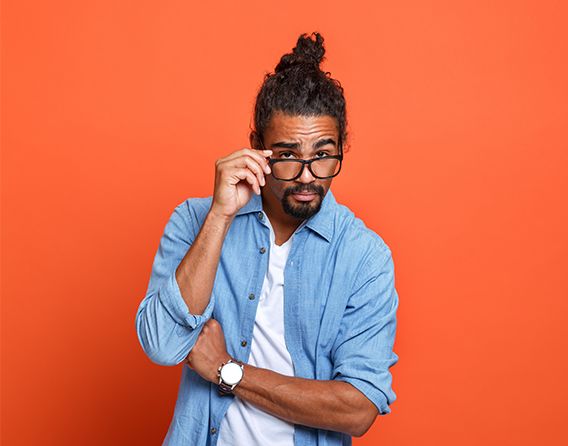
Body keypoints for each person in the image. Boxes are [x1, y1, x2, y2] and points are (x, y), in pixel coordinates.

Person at [135, 32, 399, 446]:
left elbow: (358, 408)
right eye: (288, 155)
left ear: (343, 145)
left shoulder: (365, 257)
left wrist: (226, 369)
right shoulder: (195, 220)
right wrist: (221, 215)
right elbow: (163, 345)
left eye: (324, 154)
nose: (309, 175)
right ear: (257, 147)